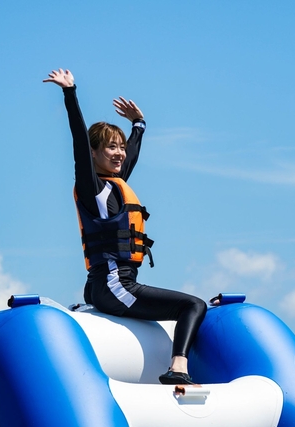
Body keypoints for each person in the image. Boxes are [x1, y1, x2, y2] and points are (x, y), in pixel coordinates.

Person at [44, 68, 207, 385]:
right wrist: (70, 92)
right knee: (193, 305)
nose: (120, 153)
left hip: (107, 285)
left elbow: (129, 157)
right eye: (111, 147)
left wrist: (139, 125)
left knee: (190, 304)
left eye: (120, 146)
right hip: (115, 285)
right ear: (93, 153)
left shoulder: (113, 185)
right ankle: (178, 368)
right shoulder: (92, 189)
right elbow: (79, 141)